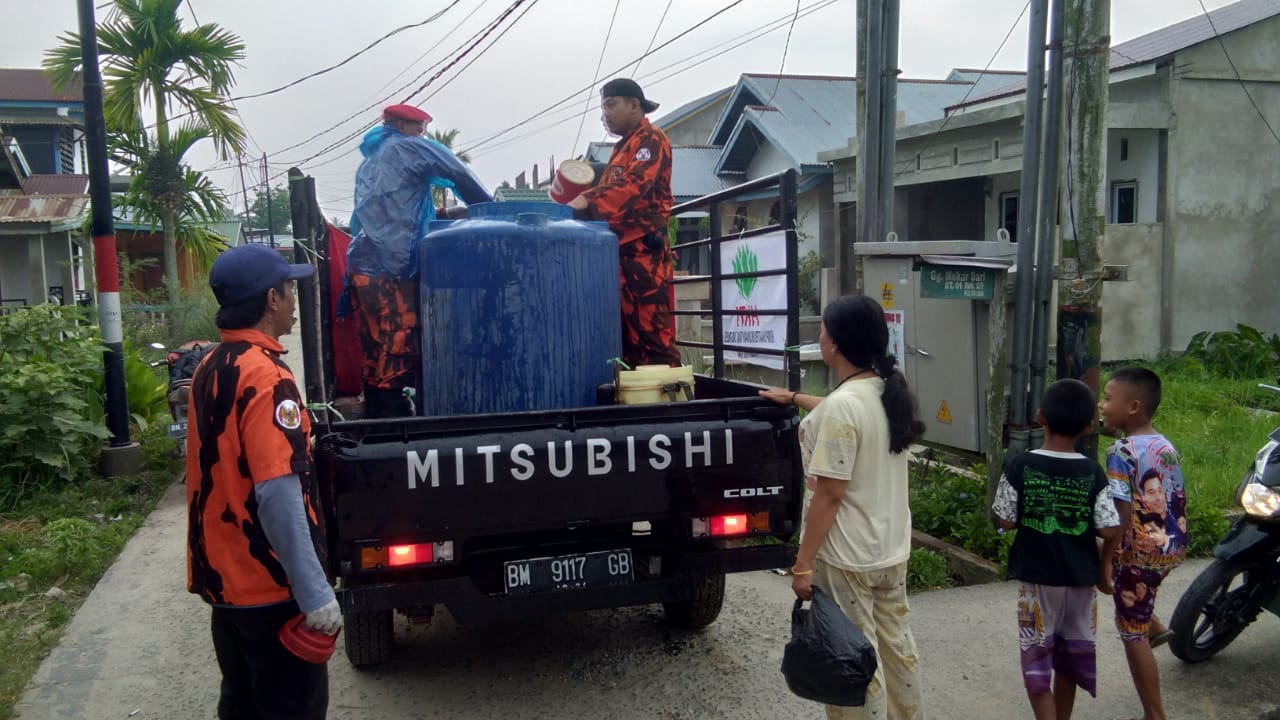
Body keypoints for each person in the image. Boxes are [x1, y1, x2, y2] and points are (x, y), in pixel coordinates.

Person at [187, 244, 341, 719]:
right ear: (271, 299)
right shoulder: (267, 377)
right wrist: (315, 595)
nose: (294, 299)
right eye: (290, 289)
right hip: (271, 589)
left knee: (242, 705)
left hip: (226, 585)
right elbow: (276, 492)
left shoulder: (209, 367)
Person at [759, 295, 926, 720]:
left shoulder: (843, 408)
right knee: (897, 650)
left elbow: (829, 495)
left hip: (850, 557)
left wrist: (803, 564)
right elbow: (846, 417)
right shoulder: (884, 393)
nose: (821, 336)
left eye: (825, 330)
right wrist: (796, 397)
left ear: (836, 344)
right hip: (890, 549)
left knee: (852, 662)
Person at [345, 103, 493, 417]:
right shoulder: (407, 148)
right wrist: (491, 212)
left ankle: (375, 417)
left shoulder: (371, 162)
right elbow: (458, 172)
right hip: (391, 268)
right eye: (419, 128)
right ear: (402, 126)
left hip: (361, 266)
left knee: (373, 345)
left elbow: (391, 212)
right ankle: (393, 422)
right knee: (395, 343)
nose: (422, 135)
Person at [991, 379, 1122, 720]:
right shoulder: (1092, 471)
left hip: (1037, 581)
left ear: (1040, 416)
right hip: (1081, 581)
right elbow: (1109, 528)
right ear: (1089, 427)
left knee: (1037, 660)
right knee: (1071, 656)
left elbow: (1004, 520)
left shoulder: (1020, 464)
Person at [567, 78, 679, 368]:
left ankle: (675, 407)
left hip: (643, 257)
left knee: (652, 338)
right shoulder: (621, 149)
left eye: (611, 104)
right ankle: (638, 404)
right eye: (603, 106)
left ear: (634, 105)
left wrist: (588, 201)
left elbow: (634, 184)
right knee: (625, 342)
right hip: (618, 258)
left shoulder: (651, 140)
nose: (605, 113)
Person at [1097, 367, 1188, 720]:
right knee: (1137, 600)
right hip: (1172, 544)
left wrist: (1107, 557)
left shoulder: (1120, 450)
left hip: (1139, 554)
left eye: (1107, 397)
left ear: (1133, 407)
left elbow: (1120, 511)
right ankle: (1156, 626)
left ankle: (1154, 713)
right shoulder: (1164, 444)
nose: (1102, 405)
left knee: (1130, 633)